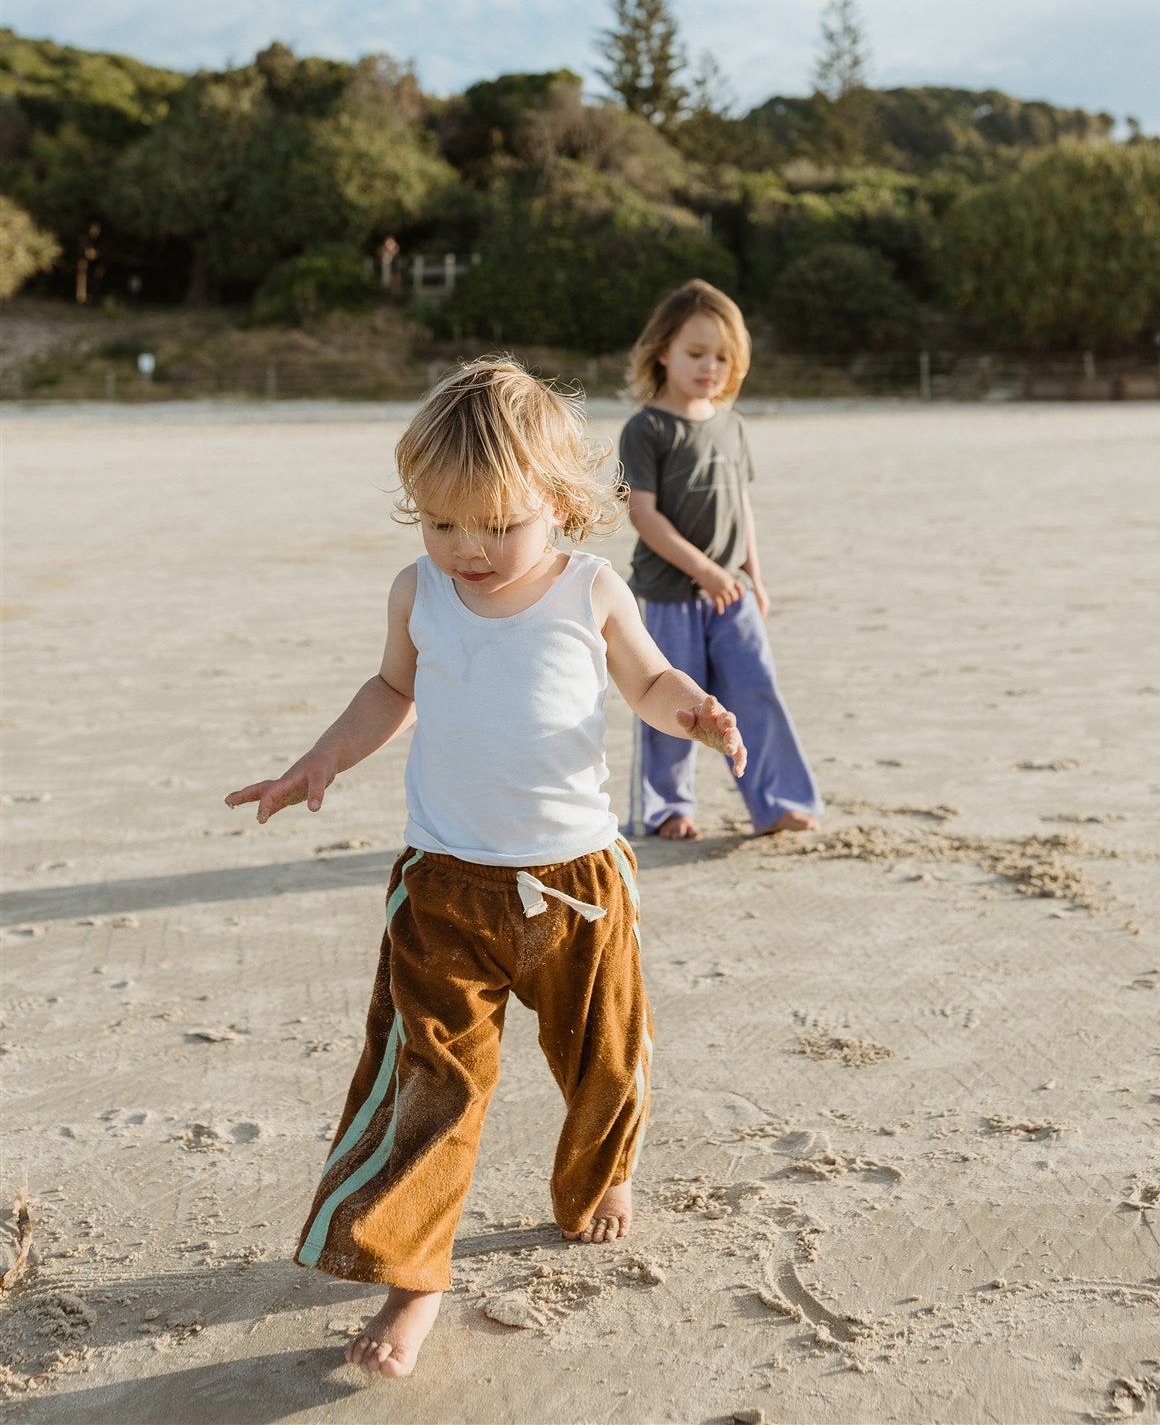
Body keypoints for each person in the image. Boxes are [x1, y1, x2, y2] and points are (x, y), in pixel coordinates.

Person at [225, 358, 746, 1380]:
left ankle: (600, 1176)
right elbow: (391, 688)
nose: (467, 549)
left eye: (495, 525)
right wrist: (320, 758)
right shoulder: (418, 590)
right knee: (431, 1082)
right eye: (440, 522)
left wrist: (692, 709)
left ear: (558, 502)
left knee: (605, 1056)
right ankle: (416, 1272)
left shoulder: (590, 585)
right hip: (445, 888)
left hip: (579, 885)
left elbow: (646, 679)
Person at [619, 278, 822, 841]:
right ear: (662, 351)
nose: (710, 367)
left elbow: (742, 507)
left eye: (723, 357)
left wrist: (753, 576)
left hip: (732, 596)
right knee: (669, 704)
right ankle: (666, 809)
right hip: (668, 596)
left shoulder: (731, 425)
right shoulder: (646, 429)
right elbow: (644, 515)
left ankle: (777, 801)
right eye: (696, 353)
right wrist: (702, 571)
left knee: (756, 690)